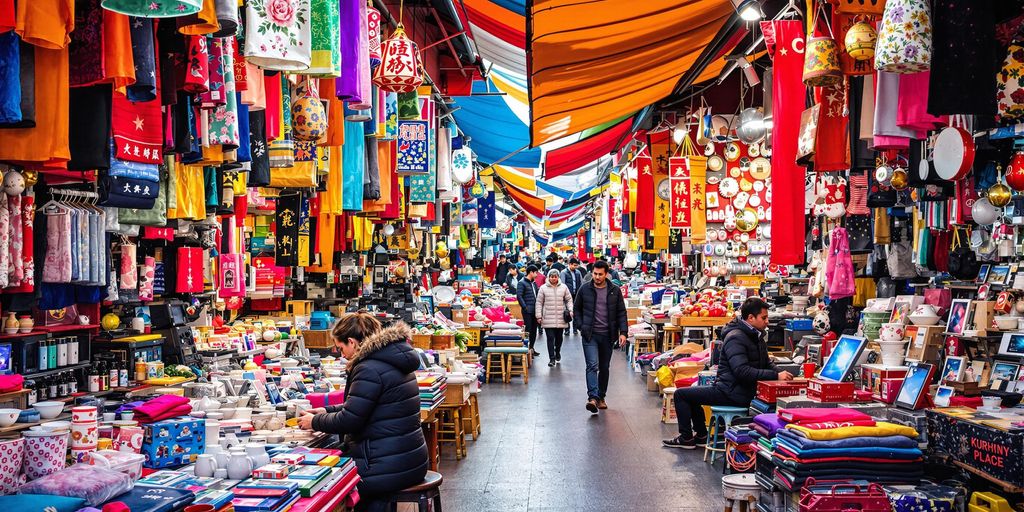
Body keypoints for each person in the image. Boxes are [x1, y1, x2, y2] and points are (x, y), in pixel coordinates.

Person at [298, 313, 428, 510]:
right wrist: (326, 410)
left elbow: (350, 420)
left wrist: (314, 422)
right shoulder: (391, 358)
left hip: (384, 467)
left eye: (340, 348)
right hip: (408, 460)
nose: (340, 354)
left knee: (325, 483)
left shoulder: (368, 368)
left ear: (352, 342)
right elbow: (368, 406)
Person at [663, 298, 794, 449]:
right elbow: (743, 371)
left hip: (731, 392)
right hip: (737, 391)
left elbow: (747, 370)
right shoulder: (739, 337)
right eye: (764, 318)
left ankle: (687, 438)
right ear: (750, 318)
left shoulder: (751, 336)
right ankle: (700, 435)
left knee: (681, 394)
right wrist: (776, 375)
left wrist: (782, 374)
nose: (767, 322)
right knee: (686, 395)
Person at [573, 260, 628, 414]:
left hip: (608, 335)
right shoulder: (585, 289)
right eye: (595, 274)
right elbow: (576, 309)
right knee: (592, 365)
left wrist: (623, 332)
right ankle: (592, 398)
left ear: (606, 274)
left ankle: (601, 397)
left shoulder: (615, 291)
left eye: (600, 274)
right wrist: (581, 326)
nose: (597, 277)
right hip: (590, 335)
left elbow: (621, 313)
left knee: (604, 367)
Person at [536, 269, 573, 367]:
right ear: (548, 277)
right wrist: (538, 315)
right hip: (547, 317)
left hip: (561, 317)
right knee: (550, 338)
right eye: (551, 276)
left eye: (555, 276)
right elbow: (539, 302)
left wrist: (570, 310)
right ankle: (551, 358)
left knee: (559, 338)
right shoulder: (543, 288)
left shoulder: (564, 287)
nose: (553, 278)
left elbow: (569, 299)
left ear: (558, 277)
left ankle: (557, 351)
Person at [517, 265, 541, 358]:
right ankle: (526, 349)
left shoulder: (533, 283)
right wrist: (525, 307)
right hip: (527, 311)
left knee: (534, 330)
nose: (536, 275)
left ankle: (532, 348)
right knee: (528, 330)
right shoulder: (522, 283)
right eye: (536, 272)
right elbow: (519, 296)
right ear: (531, 272)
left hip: (535, 310)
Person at [560, 259, 584, 335]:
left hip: (576, 294)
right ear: (570, 264)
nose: (576, 267)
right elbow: (562, 284)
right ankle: (567, 329)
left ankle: (575, 328)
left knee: (576, 311)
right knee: (567, 312)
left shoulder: (578, 272)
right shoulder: (564, 272)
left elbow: (581, 283)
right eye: (574, 265)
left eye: (577, 265)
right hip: (567, 295)